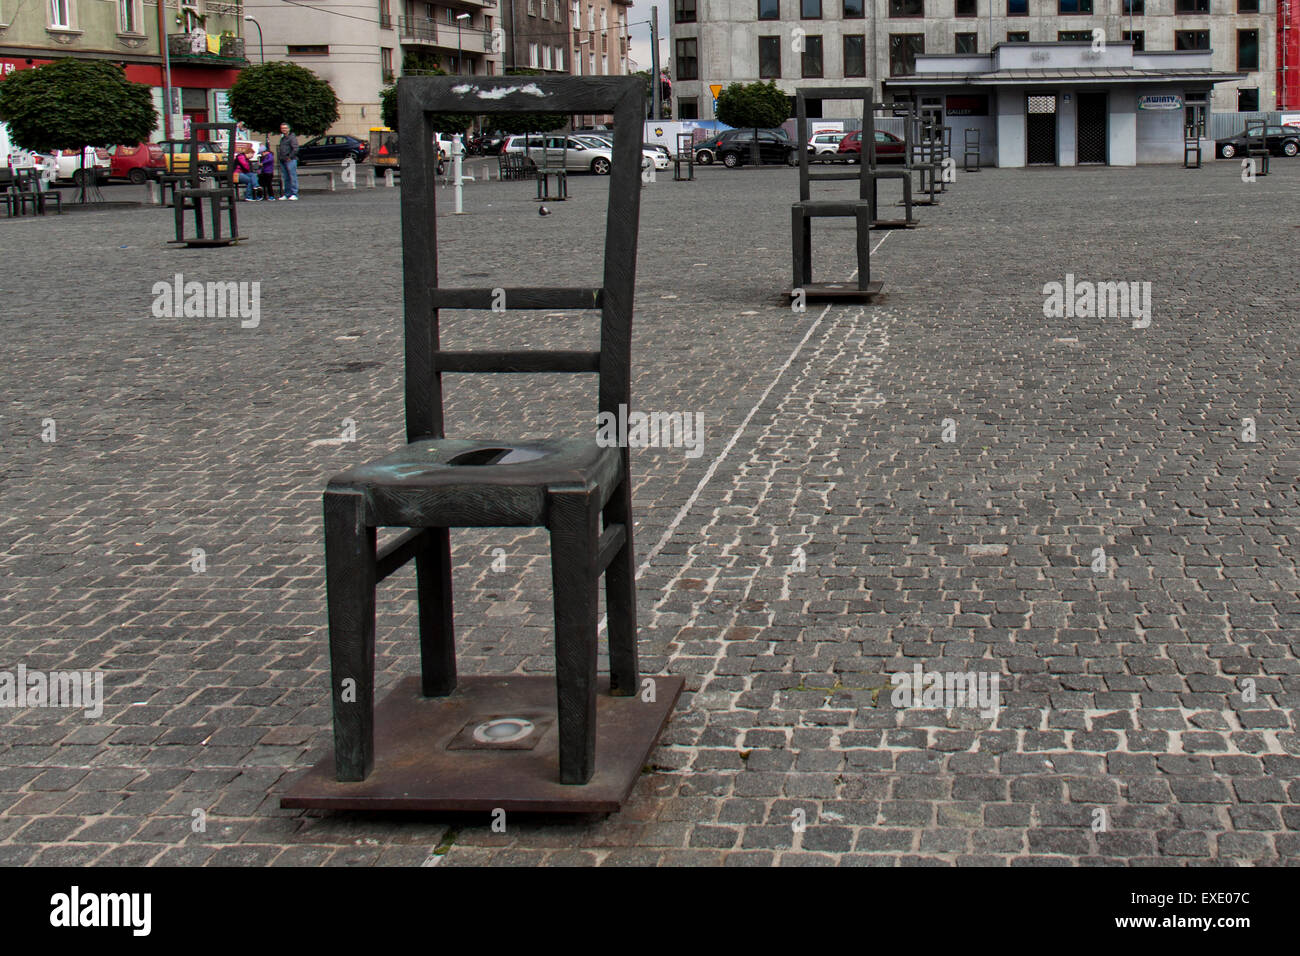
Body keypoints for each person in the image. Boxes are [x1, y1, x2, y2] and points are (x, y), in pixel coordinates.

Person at [277, 122, 299, 200]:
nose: (284, 129)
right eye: (282, 128)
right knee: (286, 178)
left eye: (285, 128)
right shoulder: (283, 138)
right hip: (283, 160)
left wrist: (290, 157)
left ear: (289, 129)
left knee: (292, 177)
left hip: (290, 160)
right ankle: (287, 194)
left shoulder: (292, 137)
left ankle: (294, 193)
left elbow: (295, 148)